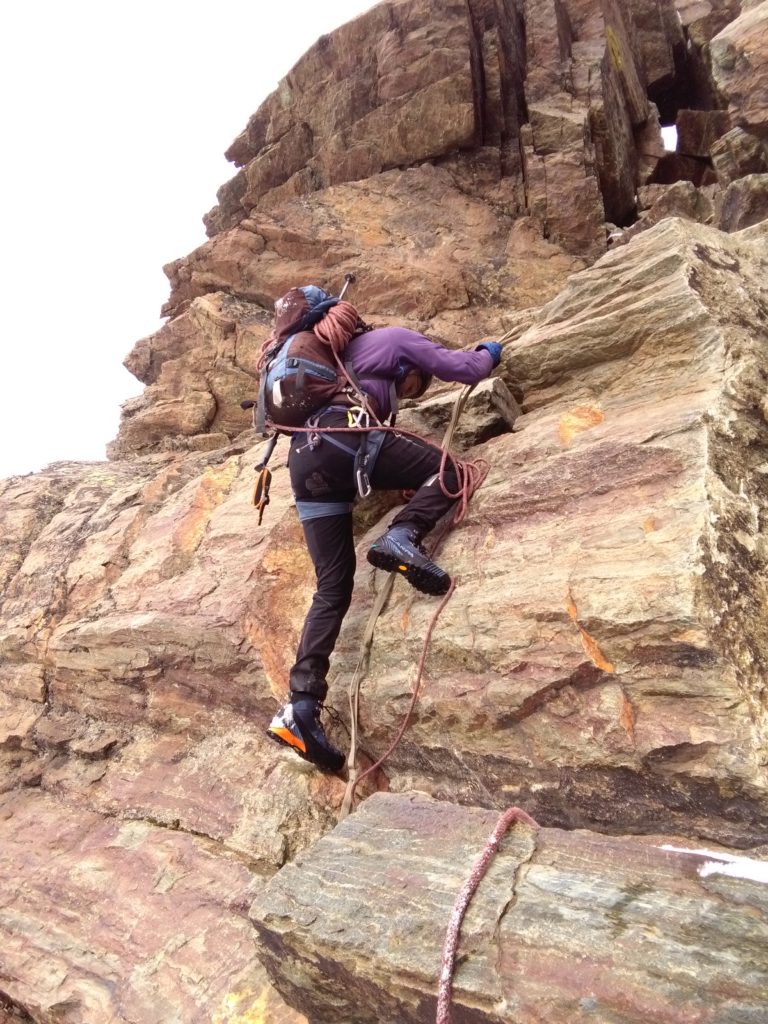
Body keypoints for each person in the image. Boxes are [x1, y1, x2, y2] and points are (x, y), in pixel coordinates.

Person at [265, 285, 502, 771]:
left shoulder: (321, 368)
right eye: (413, 385)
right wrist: (491, 350)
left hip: (304, 465)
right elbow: (467, 369)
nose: (413, 393)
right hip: (347, 441)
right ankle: (403, 535)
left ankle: (300, 708)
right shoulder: (392, 341)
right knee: (452, 472)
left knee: (332, 587)